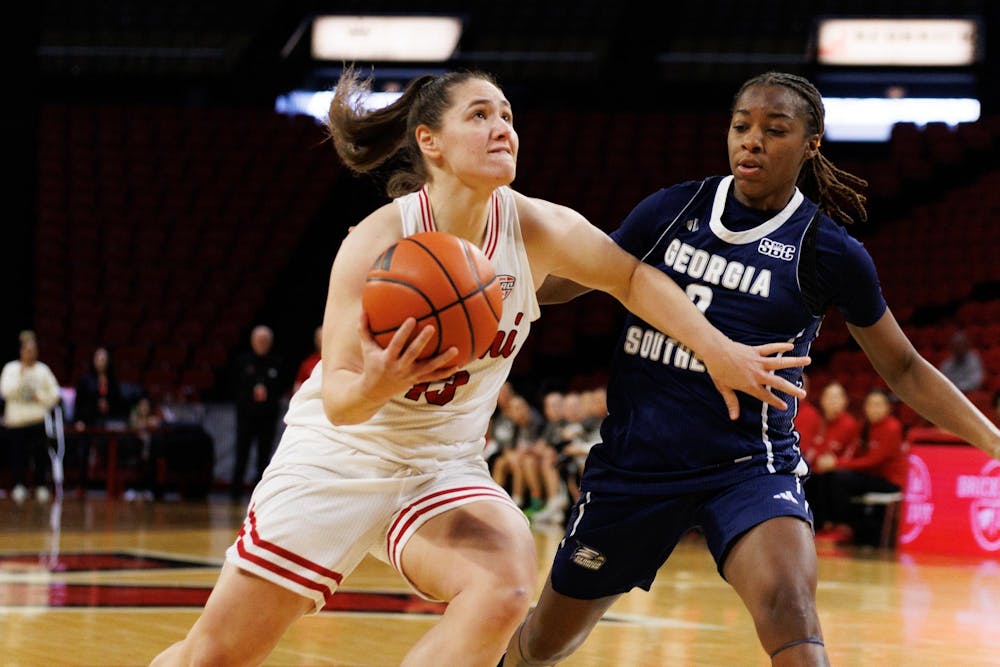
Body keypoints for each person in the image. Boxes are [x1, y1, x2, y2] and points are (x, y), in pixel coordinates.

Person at [150, 66, 808, 667]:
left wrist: (719, 349)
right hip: (341, 453)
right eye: (481, 115)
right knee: (213, 655)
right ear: (430, 141)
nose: (503, 128)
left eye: (509, 117)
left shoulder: (538, 228)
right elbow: (343, 400)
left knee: (503, 588)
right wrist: (382, 379)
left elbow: (635, 280)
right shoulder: (376, 242)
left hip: (443, 463)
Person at [503, 71, 1000, 667]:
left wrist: (992, 442)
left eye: (775, 130)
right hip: (636, 466)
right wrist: (496, 282)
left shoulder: (828, 250)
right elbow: (570, 283)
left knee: (790, 607)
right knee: (545, 642)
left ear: (811, 144)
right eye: (741, 126)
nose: (752, 141)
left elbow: (905, 368)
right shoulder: (673, 208)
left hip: (746, 467)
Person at [813, 388, 907, 546]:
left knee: (840, 478)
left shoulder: (892, 427)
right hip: (869, 476)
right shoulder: (864, 426)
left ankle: (845, 525)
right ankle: (826, 524)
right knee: (824, 475)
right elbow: (854, 455)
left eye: (878, 405)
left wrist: (837, 463)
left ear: (888, 408)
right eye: (870, 405)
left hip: (888, 481)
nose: (874, 409)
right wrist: (833, 462)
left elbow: (873, 461)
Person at [0, 331, 61, 503]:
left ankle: (41, 486)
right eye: (27, 350)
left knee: (40, 456)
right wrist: (21, 377)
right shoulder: (11, 369)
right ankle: (18, 485)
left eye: (33, 350)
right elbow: (5, 391)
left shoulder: (43, 370)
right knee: (17, 456)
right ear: (21, 351)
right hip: (16, 423)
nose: (30, 353)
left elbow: (55, 394)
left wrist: (39, 396)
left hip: (37, 421)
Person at [230, 324, 285, 500]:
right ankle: (235, 493)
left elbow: (281, 391)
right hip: (246, 417)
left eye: (265, 341)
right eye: (259, 340)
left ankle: (261, 495)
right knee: (241, 454)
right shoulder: (242, 362)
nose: (262, 343)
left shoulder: (277, 363)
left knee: (264, 457)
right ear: (253, 341)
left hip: (267, 418)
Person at [806, 380, 861, 536]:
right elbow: (811, 450)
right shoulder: (818, 421)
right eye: (829, 397)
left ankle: (837, 525)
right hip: (818, 469)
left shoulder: (850, 424)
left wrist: (835, 462)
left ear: (845, 401)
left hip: (838, 471)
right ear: (822, 400)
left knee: (831, 478)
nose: (832, 402)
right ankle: (813, 523)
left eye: (837, 397)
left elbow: (851, 454)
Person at [72, 346, 127, 495]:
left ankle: (112, 485)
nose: (101, 362)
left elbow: (120, 404)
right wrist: (79, 421)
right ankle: (82, 485)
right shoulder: (85, 380)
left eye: (104, 359)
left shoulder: (113, 381)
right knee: (84, 448)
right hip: (88, 422)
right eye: (98, 358)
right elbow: (79, 403)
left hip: (107, 423)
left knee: (115, 448)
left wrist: (108, 406)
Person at [292, 325, 323, 394]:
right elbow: (298, 386)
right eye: (318, 338)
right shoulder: (308, 363)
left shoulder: (337, 360)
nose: (320, 341)